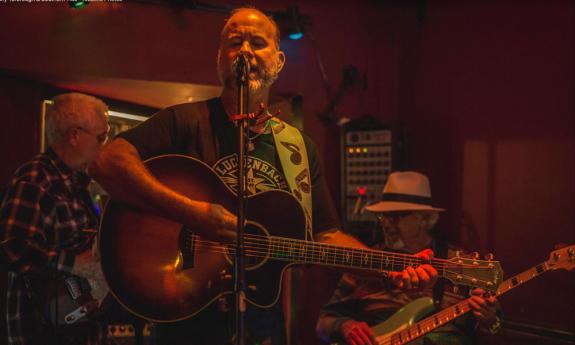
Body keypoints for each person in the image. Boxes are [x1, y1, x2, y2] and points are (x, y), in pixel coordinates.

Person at [89, 7, 437, 345]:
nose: (244, 50)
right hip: (184, 317)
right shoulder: (183, 121)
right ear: (219, 57)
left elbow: (325, 234)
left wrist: (389, 268)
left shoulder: (297, 147)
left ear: (279, 61)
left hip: (262, 324)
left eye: (256, 42)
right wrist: (191, 213)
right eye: (233, 41)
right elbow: (107, 161)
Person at [316, 171, 501, 345]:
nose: (387, 224)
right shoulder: (366, 262)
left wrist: (488, 320)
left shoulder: (459, 264)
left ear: (424, 219)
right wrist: (344, 326)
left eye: (396, 216)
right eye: (383, 217)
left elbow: (492, 334)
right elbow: (323, 322)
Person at [0, 92, 110, 345]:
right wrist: (73, 263)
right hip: (44, 332)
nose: (103, 145)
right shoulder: (36, 178)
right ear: (74, 136)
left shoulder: (78, 185)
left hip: (78, 328)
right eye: (101, 137)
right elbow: (12, 247)